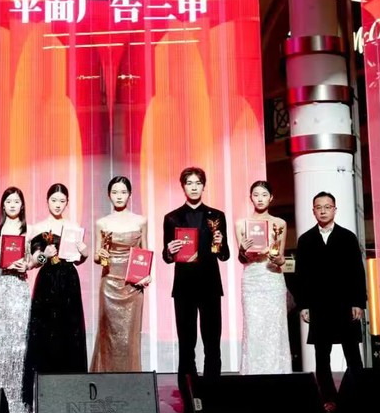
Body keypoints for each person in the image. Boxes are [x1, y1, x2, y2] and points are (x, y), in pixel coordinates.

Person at [294, 192, 367, 413]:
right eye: (319, 207)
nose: (323, 211)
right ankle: (329, 398)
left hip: (345, 304)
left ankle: (359, 395)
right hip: (319, 305)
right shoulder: (305, 240)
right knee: (321, 355)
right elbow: (301, 275)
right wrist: (303, 305)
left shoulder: (347, 237)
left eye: (327, 207)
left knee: (352, 353)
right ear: (313, 211)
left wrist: (358, 302)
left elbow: (357, 272)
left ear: (335, 209)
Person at [161, 167, 230, 398]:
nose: (193, 187)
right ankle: (187, 392)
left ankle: (213, 390)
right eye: (189, 183)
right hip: (184, 287)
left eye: (198, 183)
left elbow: (225, 255)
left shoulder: (217, 216)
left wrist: (220, 242)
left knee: (212, 341)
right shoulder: (171, 218)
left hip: (210, 285)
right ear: (183, 186)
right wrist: (169, 250)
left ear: (204, 186)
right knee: (186, 342)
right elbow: (166, 257)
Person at [22, 183, 88, 409]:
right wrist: (44, 255)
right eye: (54, 200)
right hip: (47, 282)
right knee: (46, 333)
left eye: (62, 201)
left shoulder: (73, 227)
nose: (58, 204)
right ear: (47, 201)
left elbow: (78, 259)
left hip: (69, 282)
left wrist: (84, 252)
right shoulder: (38, 227)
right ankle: (45, 393)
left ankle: (71, 391)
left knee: (69, 332)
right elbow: (32, 263)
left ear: (67, 203)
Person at [90, 176, 150, 372]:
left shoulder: (141, 221)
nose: (119, 196)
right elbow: (96, 257)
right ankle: (106, 379)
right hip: (109, 283)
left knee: (130, 335)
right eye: (115, 192)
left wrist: (147, 274)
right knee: (108, 334)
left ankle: (130, 380)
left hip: (133, 285)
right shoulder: (102, 223)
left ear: (130, 194)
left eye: (123, 192)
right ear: (109, 195)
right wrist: (100, 255)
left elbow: (145, 252)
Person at [0, 187, 32, 413]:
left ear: (22, 205)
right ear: (3, 205)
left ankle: (19, 403)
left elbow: (34, 259)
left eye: (16, 201)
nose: (12, 205)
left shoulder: (29, 230)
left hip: (19, 289)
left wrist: (28, 264)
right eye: (9, 201)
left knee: (19, 344)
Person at [237, 180, 291, 374]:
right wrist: (242, 250)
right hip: (252, 279)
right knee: (253, 329)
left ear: (271, 198)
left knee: (275, 328)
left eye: (264, 195)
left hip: (272, 278)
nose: (260, 199)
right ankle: (253, 375)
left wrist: (278, 259)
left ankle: (278, 374)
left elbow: (281, 258)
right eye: (256, 195)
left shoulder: (279, 223)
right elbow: (242, 259)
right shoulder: (241, 224)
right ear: (250, 198)